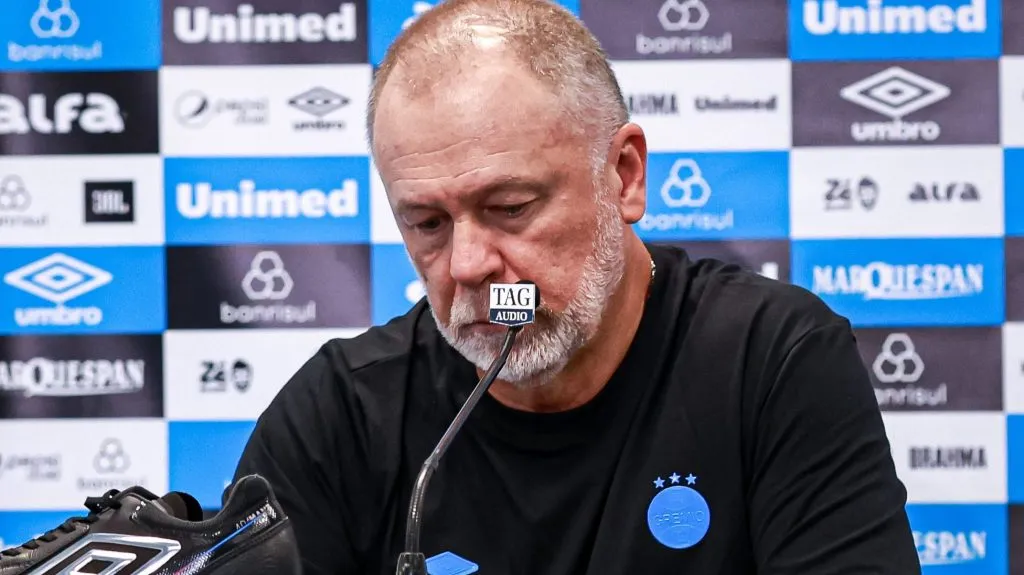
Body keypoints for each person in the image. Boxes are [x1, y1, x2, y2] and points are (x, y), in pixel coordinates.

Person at [233, 0, 921, 572]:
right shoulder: (338, 416)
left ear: (623, 175)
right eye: (428, 222)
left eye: (510, 207)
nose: (469, 264)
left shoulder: (770, 361)